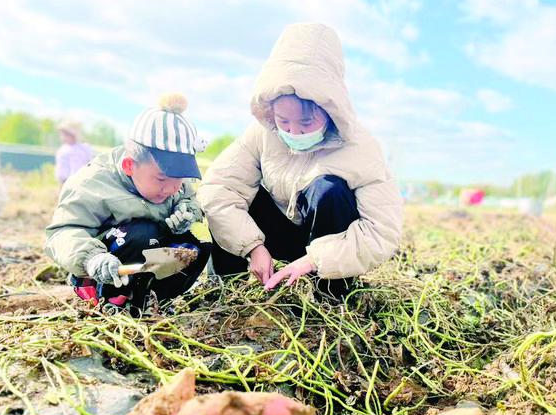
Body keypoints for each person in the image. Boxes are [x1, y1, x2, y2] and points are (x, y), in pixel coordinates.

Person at [198, 23, 404, 299]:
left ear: (329, 109)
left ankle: (330, 296)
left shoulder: (360, 148)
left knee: (329, 190)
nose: (294, 132)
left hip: (324, 247)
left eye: (306, 122)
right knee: (236, 194)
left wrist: (315, 261)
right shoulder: (261, 133)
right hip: (273, 236)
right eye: (284, 121)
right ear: (271, 113)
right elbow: (218, 190)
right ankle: (225, 292)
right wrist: (253, 247)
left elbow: (382, 232)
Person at [45, 94, 210, 313]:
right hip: (108, 262)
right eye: (161, 179)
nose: (172, 188)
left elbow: (189, 199)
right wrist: (92, 258)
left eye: (178, 179)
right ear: (130, 165)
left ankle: (154, 301)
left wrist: (187, 212)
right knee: (142, 233)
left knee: (200, 237)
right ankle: (109, 299)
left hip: (148, 255)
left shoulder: (175, 184)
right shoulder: (93, 183)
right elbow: (63, 232)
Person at [55, 120, 95, 186]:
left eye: (66, 134)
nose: (63, 136)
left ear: (73, 135)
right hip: (66, 182)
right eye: (62, 134)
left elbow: (90, 162)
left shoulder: (84, 148)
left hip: (82, 181)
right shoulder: (62, 150)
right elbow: (61, 170)